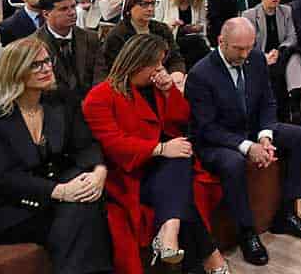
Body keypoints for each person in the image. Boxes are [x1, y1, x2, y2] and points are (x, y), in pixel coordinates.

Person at [82, 34, 228, 274]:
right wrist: (159, 149)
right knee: (182, 184)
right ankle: (210, 258)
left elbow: (181, 120)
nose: (160, 70)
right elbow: (113, 144)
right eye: (156, 64)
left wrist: (170, 92)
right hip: (129, 171)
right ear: (137, 63)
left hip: (166, 166)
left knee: (180, 158)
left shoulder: (156, 87)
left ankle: (169, 231)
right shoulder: (99, 97)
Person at [0, 37, 113, 273]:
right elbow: (4, 177)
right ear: (15, 72)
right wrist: (61, 192)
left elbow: (86, 144)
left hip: (57, 194)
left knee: (84, 201)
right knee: (82, 211)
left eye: (47, 61)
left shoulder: (61, 100)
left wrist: (99, 172)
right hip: (16, 205)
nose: (47, 68)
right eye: (35, 65)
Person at [187, 17, 301, 265]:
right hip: (216, 141)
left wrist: (265, 136)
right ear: (221, 42)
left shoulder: (255, 58)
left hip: (251, 130)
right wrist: (248, 147)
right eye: (239, 49)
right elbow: (207, 128)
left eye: (249, 47)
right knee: (234, 163)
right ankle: (246, 232)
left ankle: (287, 213)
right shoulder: (200, 74)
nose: (245, 54)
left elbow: (267, 102)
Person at [243, 0, 301, 123]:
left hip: (283, 54)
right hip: (261, 57)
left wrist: (279, 50)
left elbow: (292, 37)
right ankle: (294, 109)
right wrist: (265, 57)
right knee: (285, 64)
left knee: (295, 57)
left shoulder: (286, 11)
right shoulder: (250, 15)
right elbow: (249, 45)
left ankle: (295, 100)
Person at [101, 0, 185, 85]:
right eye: (144, 4)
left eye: (153, 4)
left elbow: (175, 58)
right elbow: (114, 70)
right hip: (130, 85)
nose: (150, 9)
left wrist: (176, 74)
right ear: (130, 7)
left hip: (163, 80)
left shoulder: (162, 29)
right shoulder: (117, 35)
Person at [35, 0, 103, 99]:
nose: (72, 12)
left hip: (89, 102)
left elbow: (100, 76)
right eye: (63, 9)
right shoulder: (34, 44)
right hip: (53, 106)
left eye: (73, 6)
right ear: (46, 14)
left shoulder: (91, 38)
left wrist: (93, 101)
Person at [154, 0, 210, 70]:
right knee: (198, 43)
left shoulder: (199, 0)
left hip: (193, 42)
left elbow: (203, 23)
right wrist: (171, 26)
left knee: (198, 44)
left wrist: (198, 27)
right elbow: (155, 27)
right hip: (171, 42)